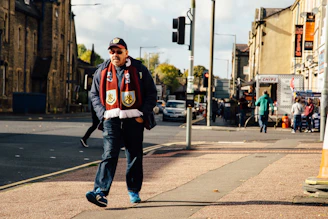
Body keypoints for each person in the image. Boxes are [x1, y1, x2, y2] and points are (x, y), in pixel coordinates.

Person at [85, 37, 157, 207]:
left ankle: (133, 190)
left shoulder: (139, 69)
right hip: (111, 119)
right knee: (109, 154)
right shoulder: (102, 71)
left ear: (126, 53)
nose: (115, 54)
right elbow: (94, 95)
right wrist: (103, 114)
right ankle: (100, 192)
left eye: (119, 51)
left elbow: (152, 94)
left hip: (134, 119)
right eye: (112, 51)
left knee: (134, 156)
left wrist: (142, 114)